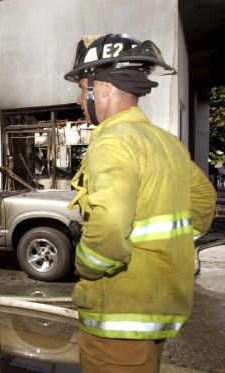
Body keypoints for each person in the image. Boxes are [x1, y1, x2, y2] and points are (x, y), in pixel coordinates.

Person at [64, 34, 216, 372]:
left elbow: (110, 230)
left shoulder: (112, 142)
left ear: (102, 88)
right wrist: (163, 244)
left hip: (118, 315)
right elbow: (204, 201)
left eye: (82, 86)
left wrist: (85, 265)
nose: (77, 98)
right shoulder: (165, 142)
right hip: (153, 312)